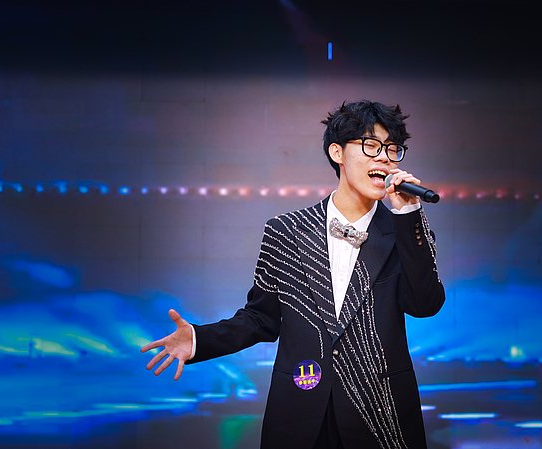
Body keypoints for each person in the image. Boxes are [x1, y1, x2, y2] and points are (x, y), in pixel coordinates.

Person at [141, 100, 446, 449]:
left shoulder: (408, 234)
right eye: (371, 146)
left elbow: (424, 305)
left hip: (381, 414)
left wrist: (409, 216)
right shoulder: (286, 231)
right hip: (301, 412)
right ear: (337, 152)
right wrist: (199, 339)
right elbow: (260, 319)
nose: (384, 158)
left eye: (392, 149)